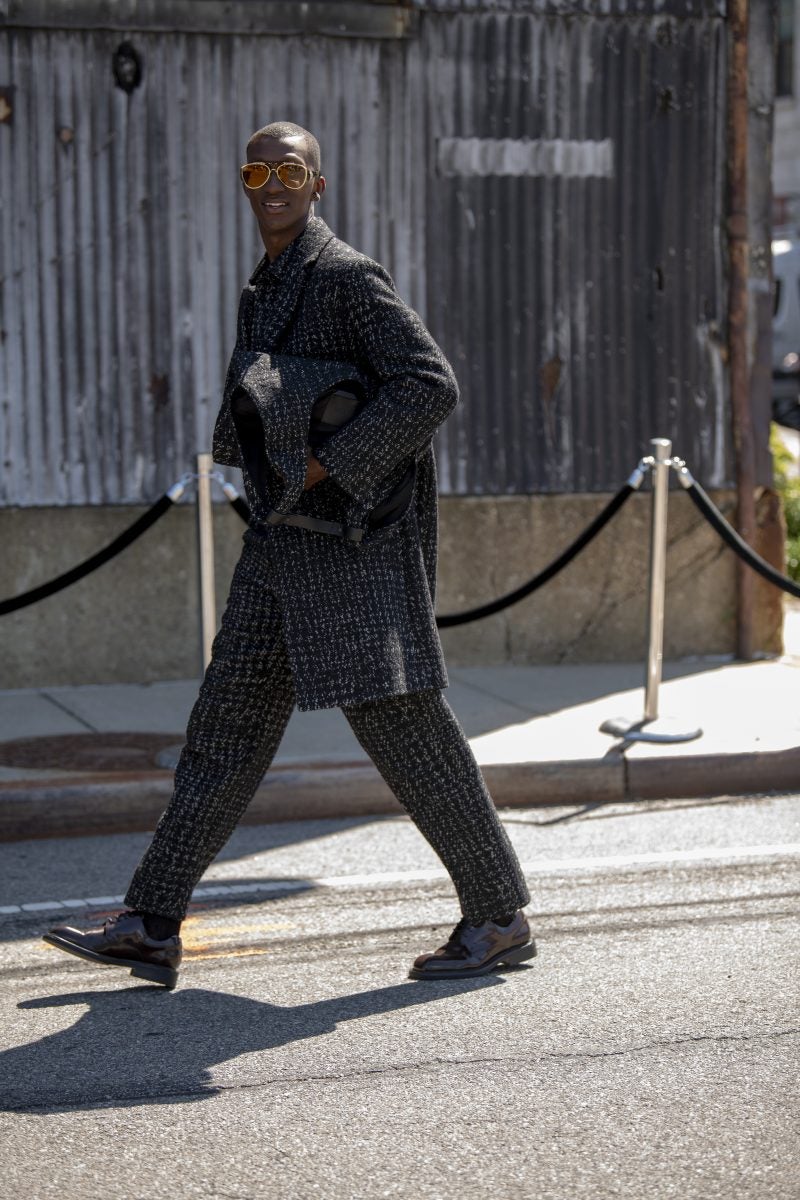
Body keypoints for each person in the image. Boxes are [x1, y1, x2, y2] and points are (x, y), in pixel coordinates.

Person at [44, 122, 534, 989]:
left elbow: (431, 383)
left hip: (352, 550)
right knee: (223, 728)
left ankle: (497, 915)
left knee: (407, 727)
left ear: (319, 184)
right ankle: (153, 922)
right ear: (245, 183)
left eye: (291, 170)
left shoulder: (344, 276)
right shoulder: (266, 281)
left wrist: (325, 464)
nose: (274, 183)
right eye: (258, 170)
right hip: (283, 542)